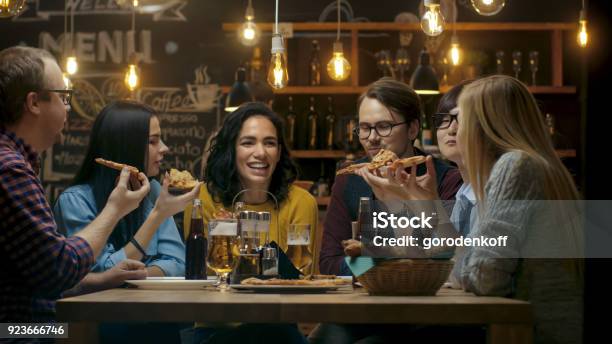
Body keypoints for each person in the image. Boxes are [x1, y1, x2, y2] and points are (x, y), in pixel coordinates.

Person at [358, 75, 583, 344]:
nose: (452, 130)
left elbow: (484, 277)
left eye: (461, 120)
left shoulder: (516, 166)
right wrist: (428, 207)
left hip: (519, 333)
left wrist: (424, 216)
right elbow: (450, 265)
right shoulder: (531, 167)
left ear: (487, 125)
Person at [0, 46, 150, 323]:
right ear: (34, 103)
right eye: (64, 96)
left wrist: (101, 280)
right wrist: (114, 209)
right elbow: (59, 268)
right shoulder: (10, 170)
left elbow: (38, 276)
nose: (68, 107)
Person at [319, 77, 462, 276]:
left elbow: (445, 258)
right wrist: (381, 262)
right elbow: (329, 263)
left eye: (384, 126)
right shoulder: (349, 179)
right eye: (365, 128)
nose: (372, 137)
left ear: (412, 129)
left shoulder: (446, 179)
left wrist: (371, 259)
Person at [55, 100, 200, 277]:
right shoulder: (75, 201)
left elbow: (178, 263)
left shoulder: (153, 191)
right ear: (126, 146)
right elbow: (101, 269)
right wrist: (157, 216)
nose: (164, 148)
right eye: (153, 141)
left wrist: (140, 274)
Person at [184, 102, 317, 254]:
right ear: (231, 150)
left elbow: (301, 274)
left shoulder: (301, 203)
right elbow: (206, 271)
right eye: (248, 143)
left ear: (279, 153)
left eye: (269, 143)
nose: (260, 153)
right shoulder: (201, 200)